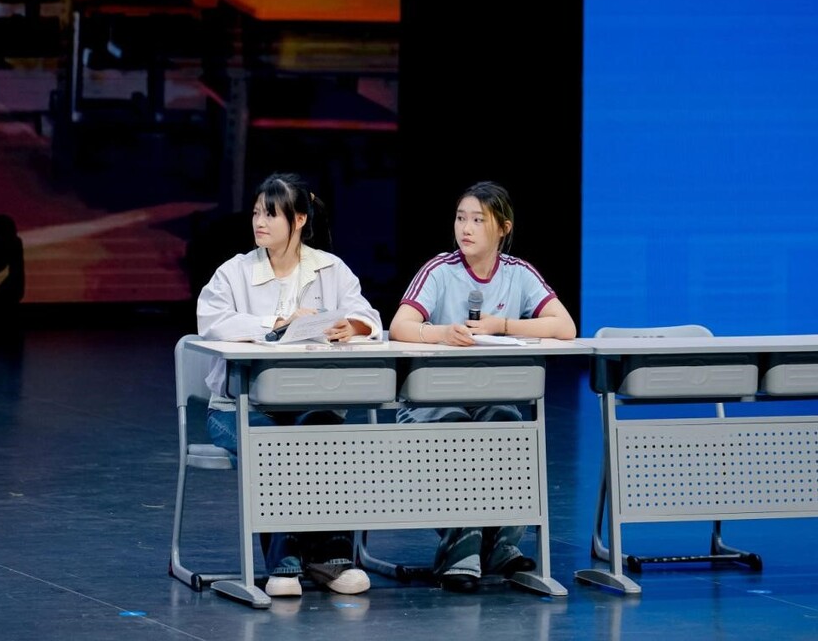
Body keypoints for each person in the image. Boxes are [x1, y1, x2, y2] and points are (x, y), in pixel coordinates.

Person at [197, 172, 383, 598]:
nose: (259, 222)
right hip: (238, 409)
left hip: (307, 401)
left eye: (271, 214)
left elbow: (368, 317)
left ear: (299, 220)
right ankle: (284, 563)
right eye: (256, 213)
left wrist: (350, 326)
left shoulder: (330, 269)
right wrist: (277, 322)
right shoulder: (234, 273)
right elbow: (213, 322)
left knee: (325, 433)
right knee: (277, 447)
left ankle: (332, 557)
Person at [388, 180, 577, 592]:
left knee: (508, 427)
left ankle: (500, 547)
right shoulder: (439, 270)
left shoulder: (519, 273)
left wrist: (503, 325)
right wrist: (440, 334)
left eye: (477, 220)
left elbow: (564, 326)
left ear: (503, 228)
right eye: (461, 218)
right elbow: (400, 326)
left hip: (490, 396)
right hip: (434, 401)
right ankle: (461, 554)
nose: (466, 228)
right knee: (458, 434)